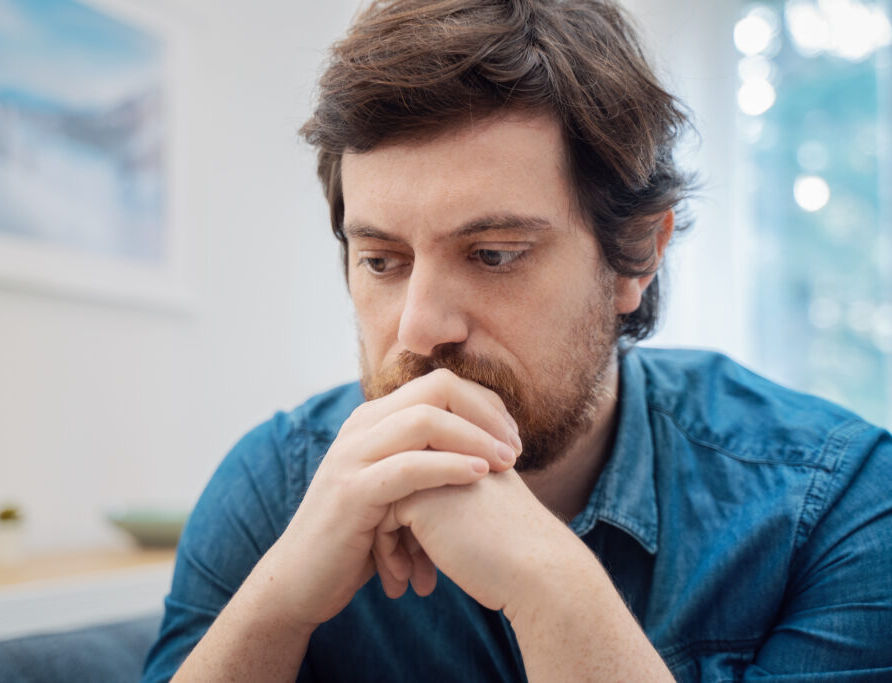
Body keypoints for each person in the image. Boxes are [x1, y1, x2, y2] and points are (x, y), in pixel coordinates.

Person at [143, 0, 892, 680]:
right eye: (381, 260)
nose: (419, 326)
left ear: (636, 253)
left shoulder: (831, 507)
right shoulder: (274, 489)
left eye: (494, 253)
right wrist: (275, 611)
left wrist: (555, 592)